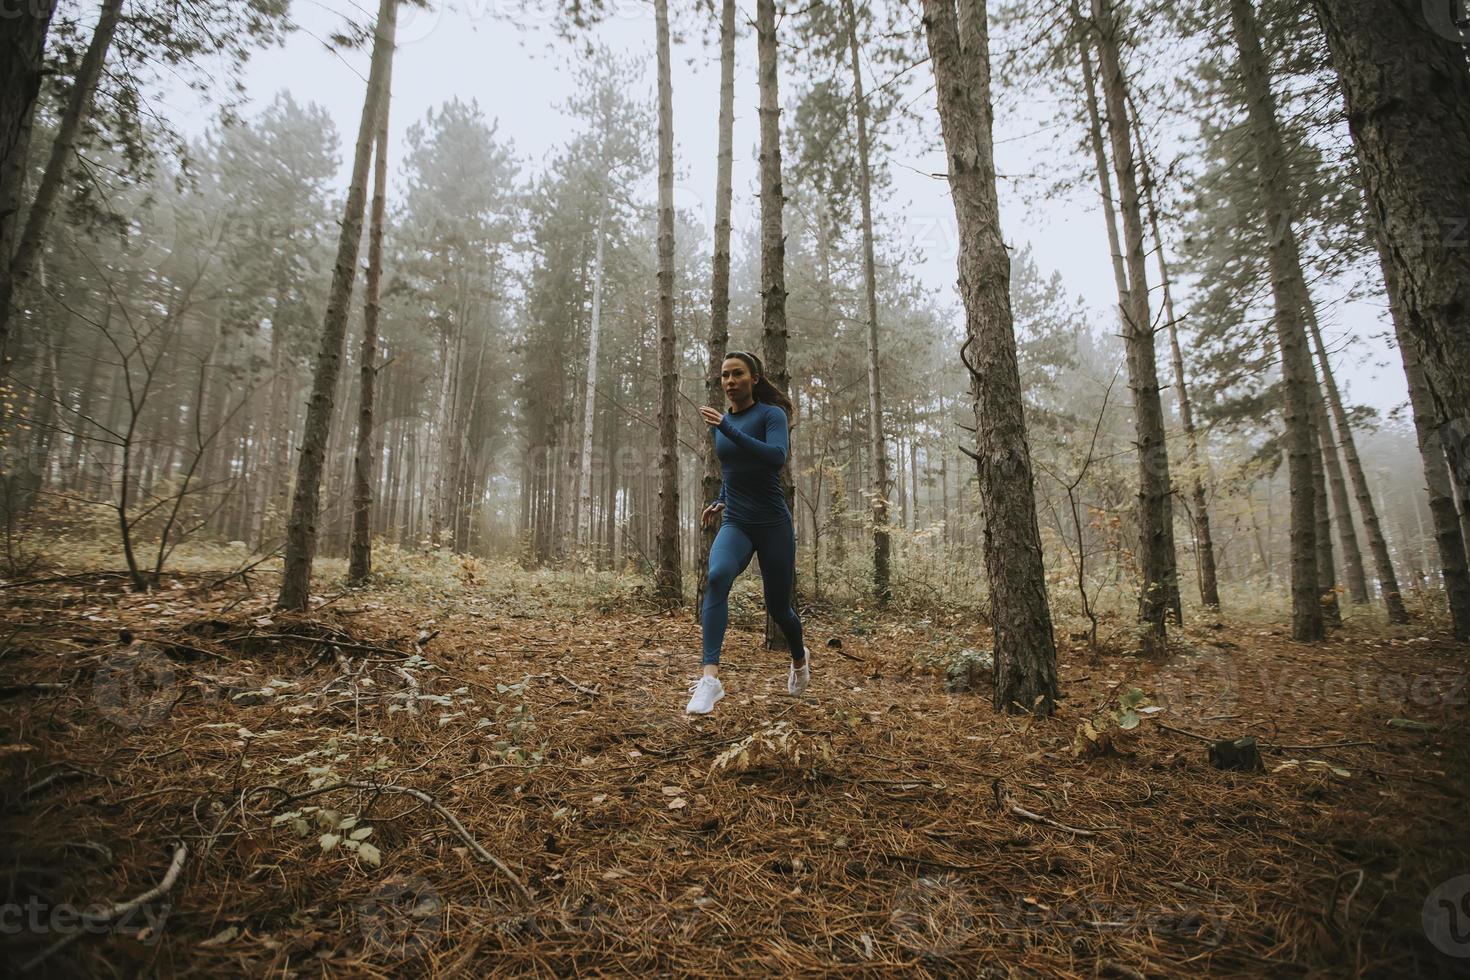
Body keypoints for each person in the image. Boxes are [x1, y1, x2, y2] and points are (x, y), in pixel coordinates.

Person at [686, 350, 809, 715]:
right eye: (725, 375)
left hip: (773, 523)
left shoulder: (771, 415)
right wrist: (721, 499)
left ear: (754, 379)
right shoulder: (724, 422)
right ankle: (710, 680)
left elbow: (774, 457)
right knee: (718, 576)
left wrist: (726, 428)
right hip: (737, 520)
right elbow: (735, 469)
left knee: (778, 607)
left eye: (737, 374)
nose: (729, 381)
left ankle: (800, 659)